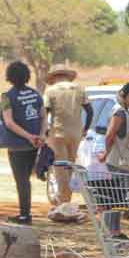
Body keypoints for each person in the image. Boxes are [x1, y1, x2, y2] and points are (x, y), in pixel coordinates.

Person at [0, 60, 45, 224]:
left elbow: (9, 122)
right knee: (26, 178)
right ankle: (24, 212)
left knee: (21, 180)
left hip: (18, 144)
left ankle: (25, 214)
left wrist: (27, 136)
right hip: (34, 143)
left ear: (10, 77)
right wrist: (40, 136)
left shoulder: (7, 97)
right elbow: (43, 116)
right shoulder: (35, 94)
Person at [96, 81, 129, 238]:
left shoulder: (127, 112)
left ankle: (114, 229)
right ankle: (112, 230)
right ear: (125, 95)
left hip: (125, 163)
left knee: (118, 197)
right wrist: (106, 153)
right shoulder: (119, 112)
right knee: (116, 196)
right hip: (118, 162)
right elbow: (110, 135)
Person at [44, 64, 91, 205]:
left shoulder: (50, 90)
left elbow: (45, 112)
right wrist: (85, 128)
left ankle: (63, 200)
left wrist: (45, 130)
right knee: (70, 166)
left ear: (54, 77)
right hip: (76, 133)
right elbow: (90, 110)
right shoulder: (79, 89)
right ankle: (66, 198)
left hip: (58, 132)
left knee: (59, 167)